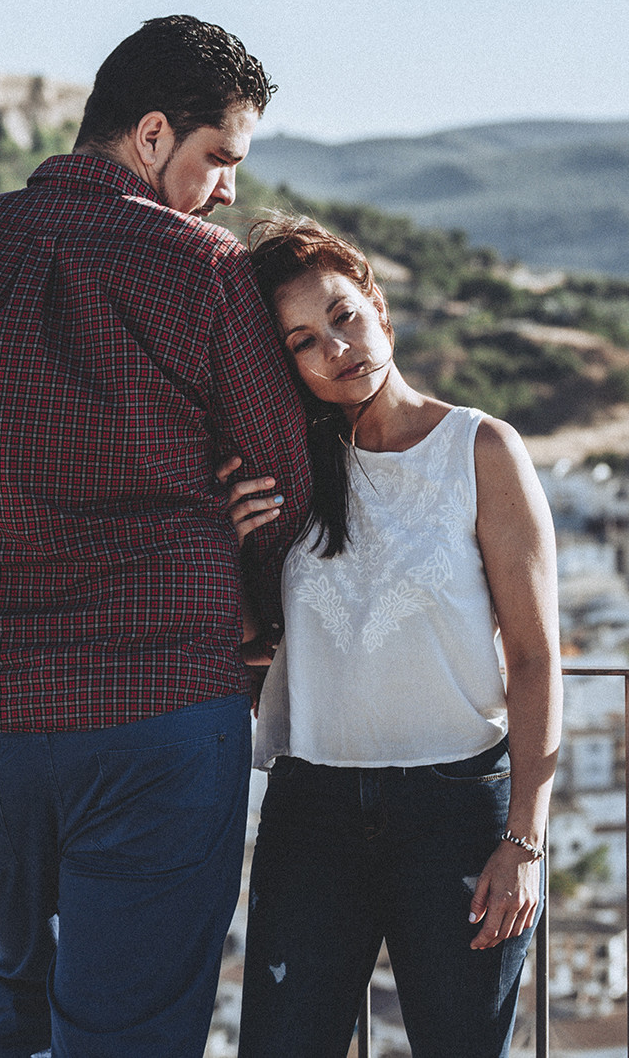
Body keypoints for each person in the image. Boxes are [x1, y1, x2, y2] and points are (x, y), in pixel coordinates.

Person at [0, 15, 313, 1056]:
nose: (227, 188)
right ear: (148, 136)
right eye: (217, 156)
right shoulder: (204, 271)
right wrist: (257, 614)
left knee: (22, 979)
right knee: (131, 1015)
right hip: (158, 706)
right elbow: (287, 484)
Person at [220, 217, 560, 1057]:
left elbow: (534, 655)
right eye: (303, 340)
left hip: (458, 813)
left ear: (377, 305)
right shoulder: (290, 469)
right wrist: (230, 548)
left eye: (342, 315)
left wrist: (525, 837)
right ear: (288, 365)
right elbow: (254, 646)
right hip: (313, 810)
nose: (336, 347)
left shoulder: (481, 449)